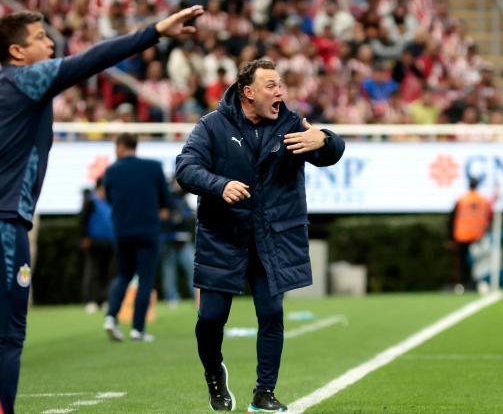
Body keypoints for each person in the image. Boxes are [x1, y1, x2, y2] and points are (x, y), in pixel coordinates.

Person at [0, 5, 203, 414]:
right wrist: (154, 32)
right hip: (5, 225)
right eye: (41, 38)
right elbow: (91, 60)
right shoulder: (25, 79)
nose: (50, 43)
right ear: (17, 53)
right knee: (7, 338)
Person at [175, 59, 345, 412]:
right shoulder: (211, 126)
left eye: (280, 84)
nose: (279, 91)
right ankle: (214, 375)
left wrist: (325, 139)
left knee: (271, 314)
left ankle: (264, 392)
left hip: (272, 238)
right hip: (223, 236)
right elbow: (185, 169)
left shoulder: (292, 123)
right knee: (210, 319)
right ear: (248, 92)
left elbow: (332, 153)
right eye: (271, 85)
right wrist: (219, 185)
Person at [102, 133, 170, 343]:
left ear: (121, 147)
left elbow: (110, 199)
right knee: (145, 279)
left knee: (123, 275)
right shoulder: (153, 167)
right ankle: (137, 330)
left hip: (123, 230)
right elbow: (165, 201)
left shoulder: (111, 171)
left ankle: (111, 317)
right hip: (148, 230)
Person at [448, 177, 493, 292]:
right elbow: (490, 217)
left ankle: (463, 284)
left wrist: (450, 237)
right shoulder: (483, 200)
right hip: (478, 236)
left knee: (463, 262)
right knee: (477, 262)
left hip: (462, 235)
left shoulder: (462, 199)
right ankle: (475, 283)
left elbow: (452, 218)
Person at [80, 177, 115, 314]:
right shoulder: (90, 202)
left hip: (109, 242)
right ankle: (90, 300)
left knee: (106, 273)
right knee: (92, 272)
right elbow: (83, 221)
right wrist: (85, 237)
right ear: (99, 188)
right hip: (94, 242)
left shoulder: (110, 201)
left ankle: (103, 300)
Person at [160, 177, 196, 307]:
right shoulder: (166, 198)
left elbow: (188, 215)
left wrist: (186, 216)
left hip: (183, 239)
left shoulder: (183, 198)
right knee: (169, 271)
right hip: (169, 240)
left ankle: (196, 296)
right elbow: (163, 217)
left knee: (192, 268)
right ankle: (171, 298)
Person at [469, 211, 503, 293]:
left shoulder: (474, 244)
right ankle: (484, 285)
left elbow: (470, 261)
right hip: (492, 273)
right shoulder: (489, 239)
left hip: (484, 274)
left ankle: (483, 285)